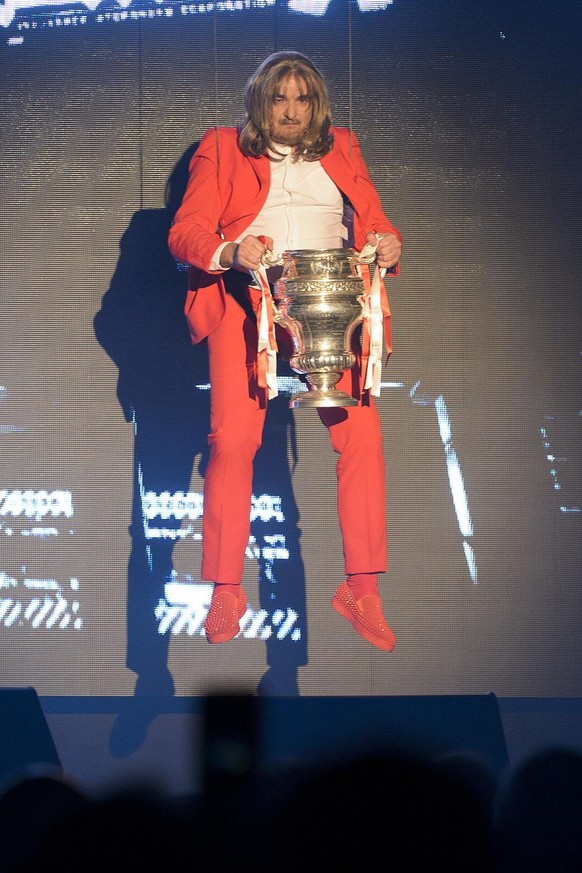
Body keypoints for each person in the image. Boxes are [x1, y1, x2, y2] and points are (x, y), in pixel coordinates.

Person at [168, 50, 402, 652]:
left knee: (363, 436)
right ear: (260, 103)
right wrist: (230, 251)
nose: (292, 110)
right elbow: (186, 230)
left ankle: (362, 587)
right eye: (280, 99)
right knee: (233, 442)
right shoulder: (222, 146)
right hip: (249, 306)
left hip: (329, 303)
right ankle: (224, 588)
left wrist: (386, 243)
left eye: (302, 99)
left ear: (317, 104)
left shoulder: (344, 147)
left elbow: (376, 221)